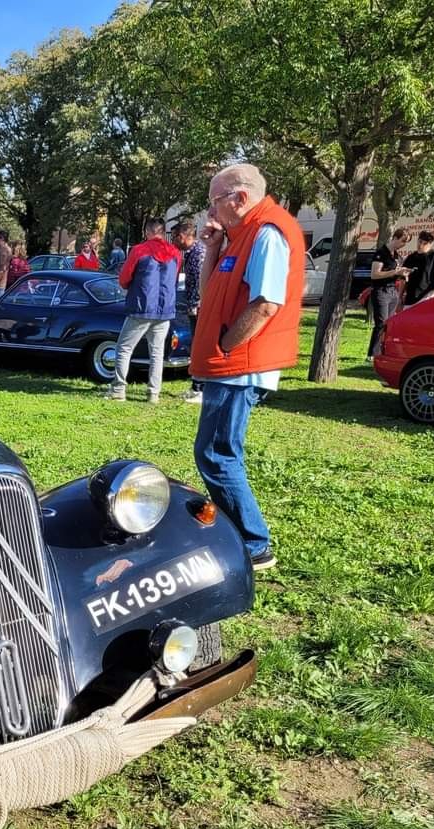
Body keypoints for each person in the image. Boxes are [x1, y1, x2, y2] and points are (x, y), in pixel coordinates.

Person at [190, 162, 305, 572]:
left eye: (214, 202)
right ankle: (242, 537)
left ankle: (253, 544)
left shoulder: (268, 233)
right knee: (215, 452)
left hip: (242, 366)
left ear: (239, 198)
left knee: (218, 454)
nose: (211, 211)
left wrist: (225, 346)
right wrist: (212, 248)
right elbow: (208, 294)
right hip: (230, 365)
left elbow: (267, 303)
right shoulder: (238, 237)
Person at [110, 218, 181, 403]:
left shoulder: (139, 250)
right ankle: (153, 393)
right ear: (163, 231)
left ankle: (118, 389)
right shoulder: (174, 253)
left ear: (147, 232)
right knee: (157, 353)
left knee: (124, 348)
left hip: (141, 308)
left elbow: (124, 278)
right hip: (164, 309)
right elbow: (173, 279)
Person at [173, 220, 206, 402]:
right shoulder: (191, 253)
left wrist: (195, 304)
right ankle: (196, 385)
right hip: (194, 305)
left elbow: (202, 283)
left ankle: (200, 388)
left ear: (183, 236)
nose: (175, 242)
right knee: (195, 345)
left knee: (199, 346)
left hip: (199, 307)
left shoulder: (198, 254)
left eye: (176, 237)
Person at [368, 228, 412, 357]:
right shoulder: (381, 253)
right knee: (381, 323)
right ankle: (373, 353)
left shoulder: (397, 256)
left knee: (389, 324)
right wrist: (395, 272)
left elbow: (396, 273)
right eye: (403, 241)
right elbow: (374, 274)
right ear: (395, 238)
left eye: (406, 242)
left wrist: (403, 274)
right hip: (381, 291)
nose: (403, 244)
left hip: (393, 290)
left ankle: (384, 350)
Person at [402, 230, 434, 305]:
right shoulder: (410, 257)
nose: (421, 245)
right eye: (420, 242)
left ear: (431, 244)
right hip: (409, 299)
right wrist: (400, 297)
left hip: (426, 298)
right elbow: (402, 278)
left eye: (425, 243)